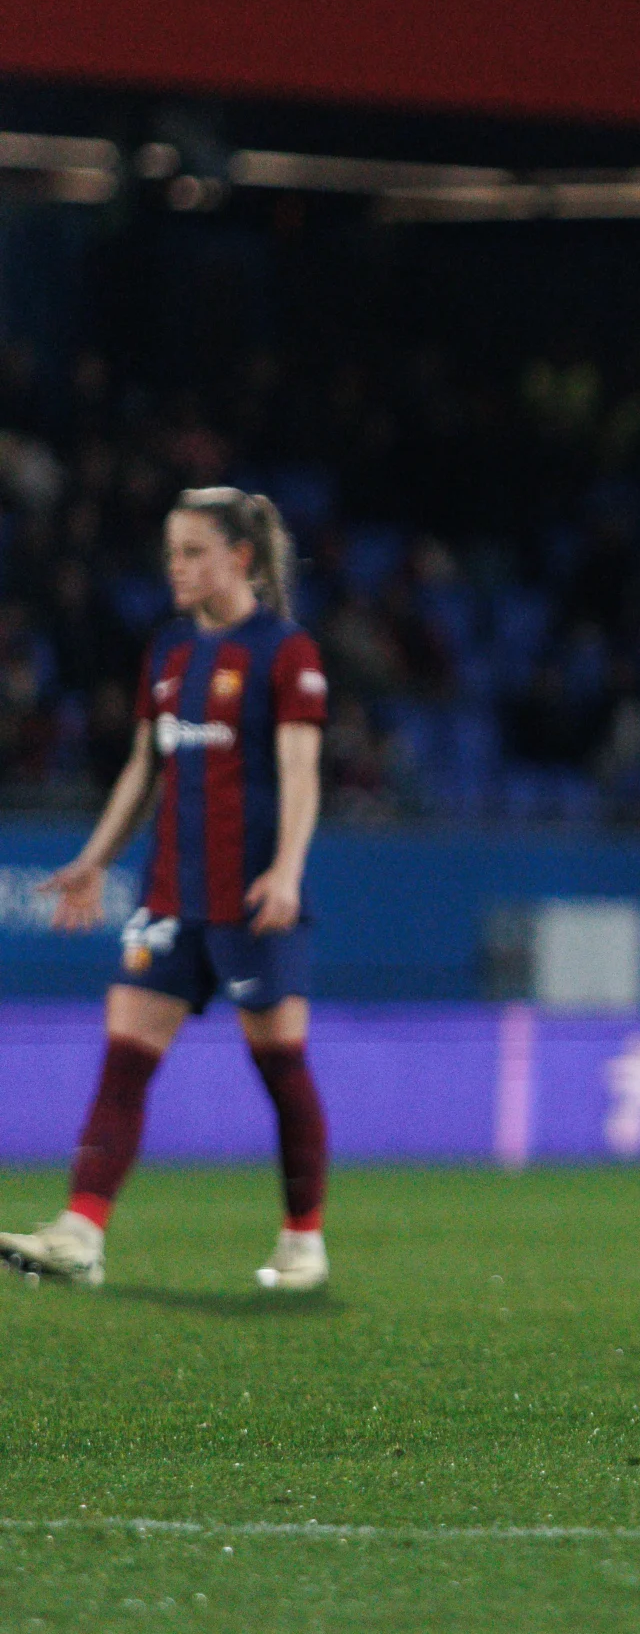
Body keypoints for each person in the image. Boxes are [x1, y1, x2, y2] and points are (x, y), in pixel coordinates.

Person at [0, 488, 331, 1291]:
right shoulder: (171, 652)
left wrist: (286, 870)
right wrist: (95, 858)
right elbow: (146, 767)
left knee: (281, 1067)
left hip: (251, 901)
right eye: (171, 553)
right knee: (124, 1061)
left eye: (192, 552)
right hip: (169, 899)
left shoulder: (287, 654)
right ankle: (81, 1232)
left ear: (240, 558)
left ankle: (303, 1241)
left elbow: (298, 772)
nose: (175, 568)